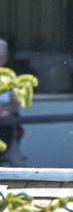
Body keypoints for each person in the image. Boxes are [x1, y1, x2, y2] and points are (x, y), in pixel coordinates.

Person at [0, 38, 27, 166]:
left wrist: (4, 110)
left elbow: (15, 107)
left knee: (18, 165)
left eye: (2, 56)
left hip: (5, 130)